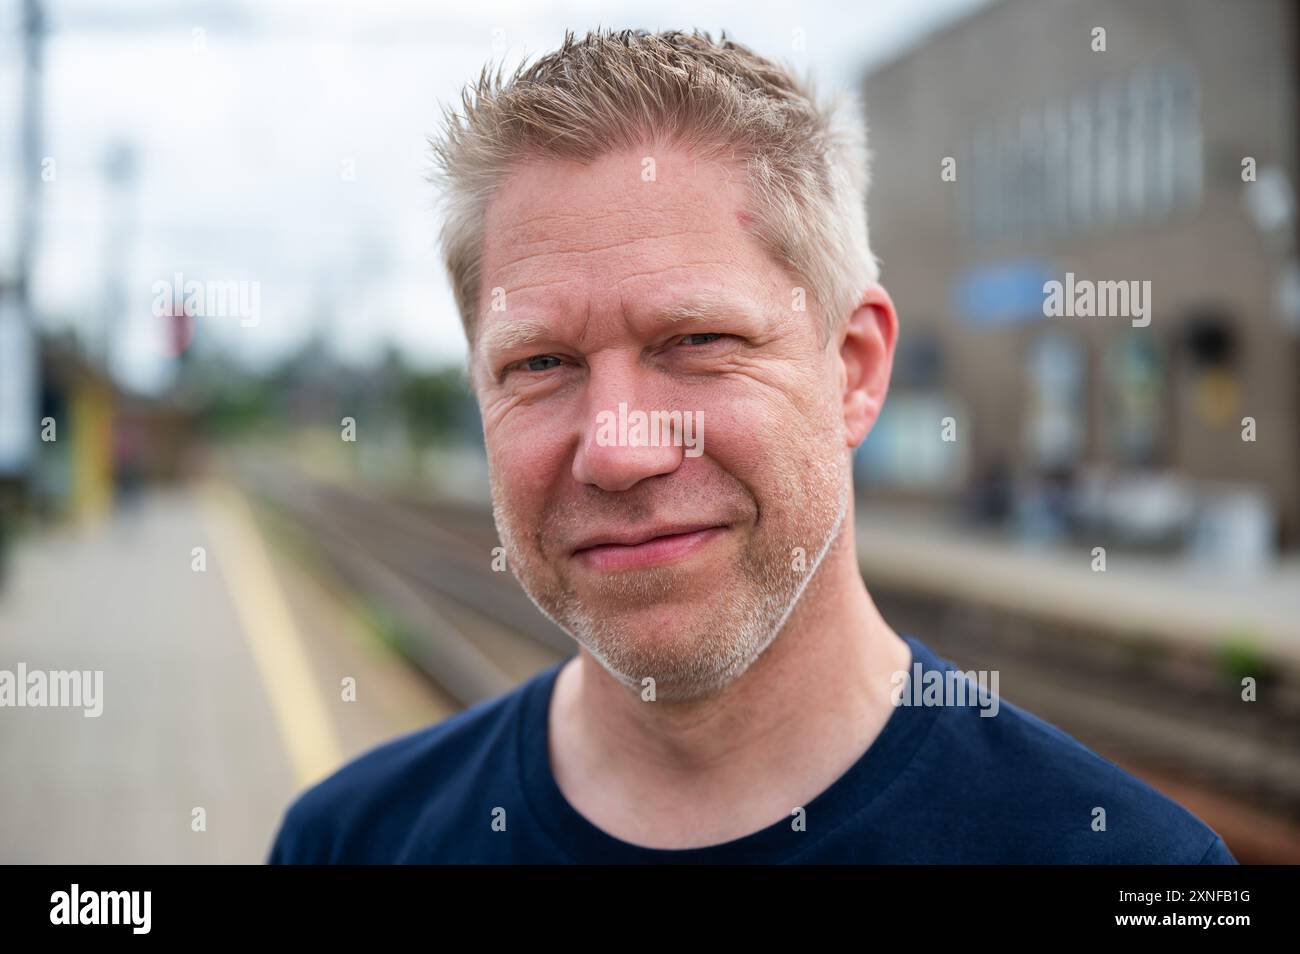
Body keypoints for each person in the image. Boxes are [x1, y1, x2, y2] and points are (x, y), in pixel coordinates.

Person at [269, 28, 1234, 863]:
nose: (618, 450)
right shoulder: (343, 843)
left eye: (696, 342)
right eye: (541, 364)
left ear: (852, 369)